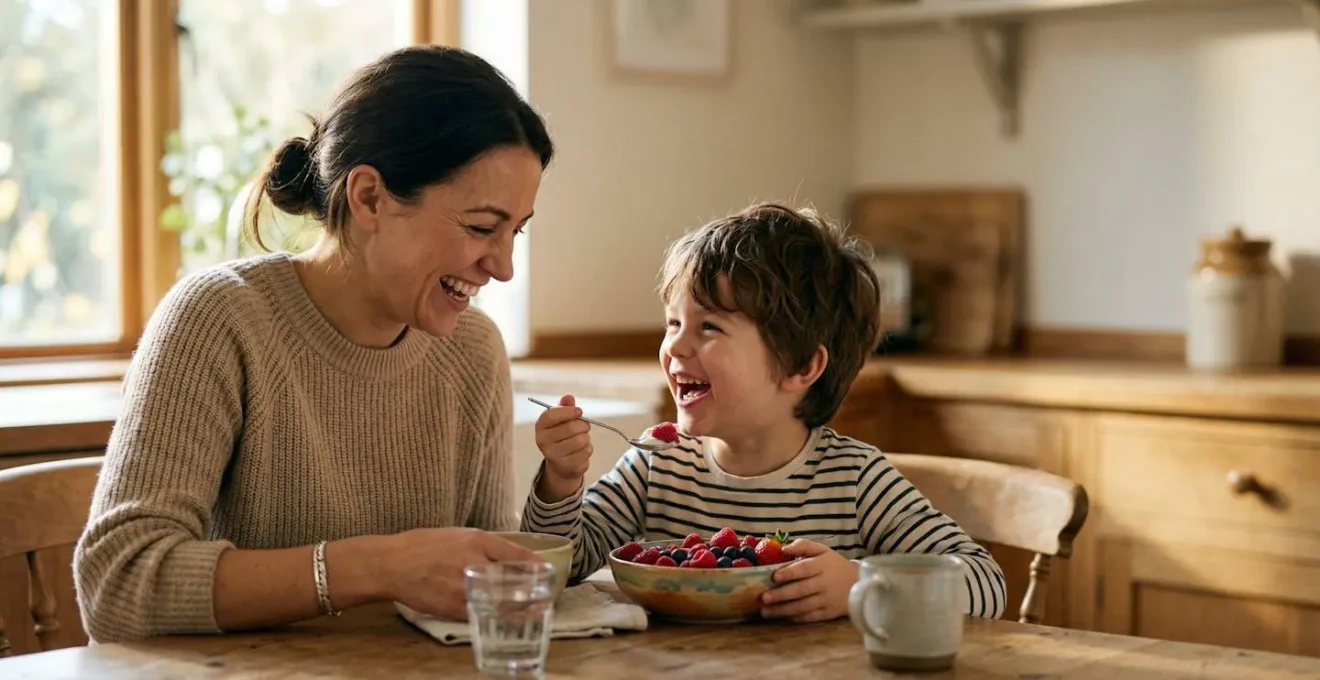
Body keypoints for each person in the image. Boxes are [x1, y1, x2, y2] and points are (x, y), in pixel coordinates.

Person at [74, 45, 555, 643]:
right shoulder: (217, 320)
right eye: (482, 228)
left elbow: (480, 581)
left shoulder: (473, 349)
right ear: (370, 197)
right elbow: (116, 585)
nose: (504, 266)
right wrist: (383, 567)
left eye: (516, 232)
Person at [521, 202, 1007, 623]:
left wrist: (861, 585)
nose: (675, 346)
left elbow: (986, 585)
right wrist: (561, 480)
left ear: (801, 366)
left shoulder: (853, 482)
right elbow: (554, 568)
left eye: (708, 327)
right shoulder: (658, 463)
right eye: (673, 322)